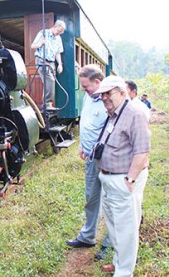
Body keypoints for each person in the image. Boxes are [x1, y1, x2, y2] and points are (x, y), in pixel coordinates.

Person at [92, 75, 151, 276]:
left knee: (126, 230)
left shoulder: (134, 113)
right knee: (114, 226)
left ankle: (124, 272)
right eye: (102, 95)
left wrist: (130, 179)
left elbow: (142, 150)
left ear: (123, 93)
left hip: (123, 180)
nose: (105, 98)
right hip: (108, 179)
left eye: (109, 93)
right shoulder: (113, 114)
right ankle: (118, 263)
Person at [66, 64, 111, 260]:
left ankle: (110, 244)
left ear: (98, 82)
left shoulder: (109, 101)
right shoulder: (89, 96)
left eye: (86, 86)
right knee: (91, 197)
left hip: (109, 159)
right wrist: (84, 145)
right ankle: (88, 236)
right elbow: (87, 123)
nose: (83, 89)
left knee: (111, 201)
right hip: (91, 158)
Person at [30, 20, 65, 109]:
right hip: (42, 60)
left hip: (51, 62)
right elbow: (33, 46)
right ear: (55, 27)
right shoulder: (43, 33)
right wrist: (40, 44)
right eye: (59, 31)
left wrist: (60, 64)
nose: (59, 33)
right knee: (50, 80)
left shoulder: (58, 38)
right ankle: (47, 104)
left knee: (50, 81)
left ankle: (47, 103)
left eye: (61, 32)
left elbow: (58, 52)